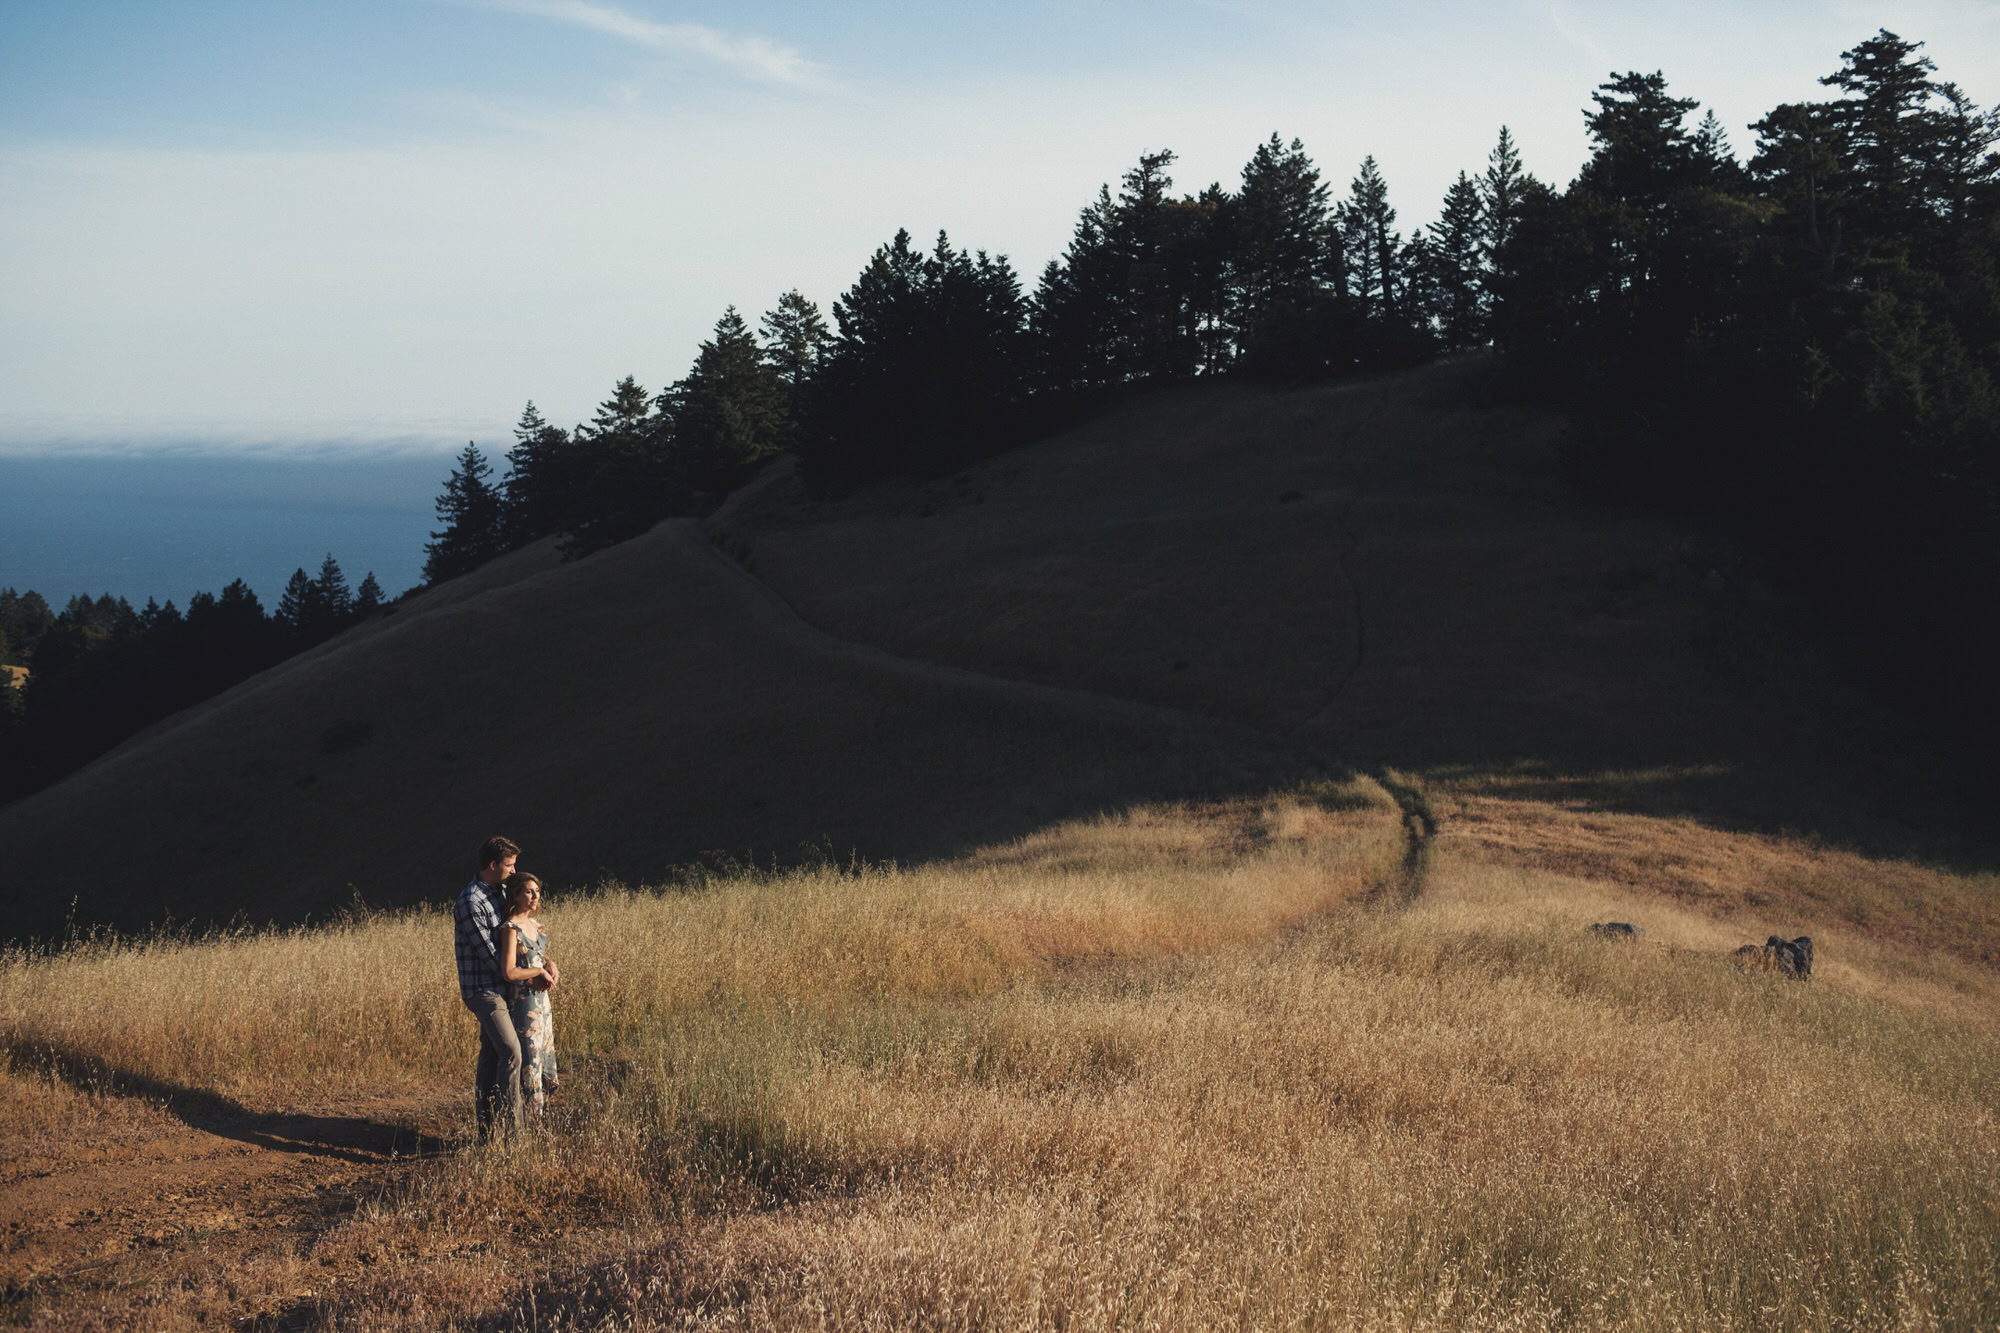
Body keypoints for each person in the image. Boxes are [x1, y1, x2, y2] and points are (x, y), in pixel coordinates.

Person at [452, 836, 558, 1140]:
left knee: (492, 1055)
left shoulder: (501, 891)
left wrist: (544, 960)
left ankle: (487, 1133)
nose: (514, 872)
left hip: (507, 987)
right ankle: (513, 1133)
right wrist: (532, 973)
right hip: (484, 989)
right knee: (512, 1052)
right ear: (492, 865)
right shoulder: (470, 901)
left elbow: (520, 937)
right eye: (509, 866)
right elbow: (495, 958)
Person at [498, 871, 559, 1119]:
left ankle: (540, 1116)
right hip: (524, 1003)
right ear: (515, 894)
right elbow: (509, 971)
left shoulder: (535, 925)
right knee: (530, 1060)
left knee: (544, 1055)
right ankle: (530, 1119)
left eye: (537, 891)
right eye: (528, 891)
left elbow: (535, 953)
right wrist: (537, 971)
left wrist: (550, 963)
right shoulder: (510, 928)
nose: (535, 896)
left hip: (542, 1002)